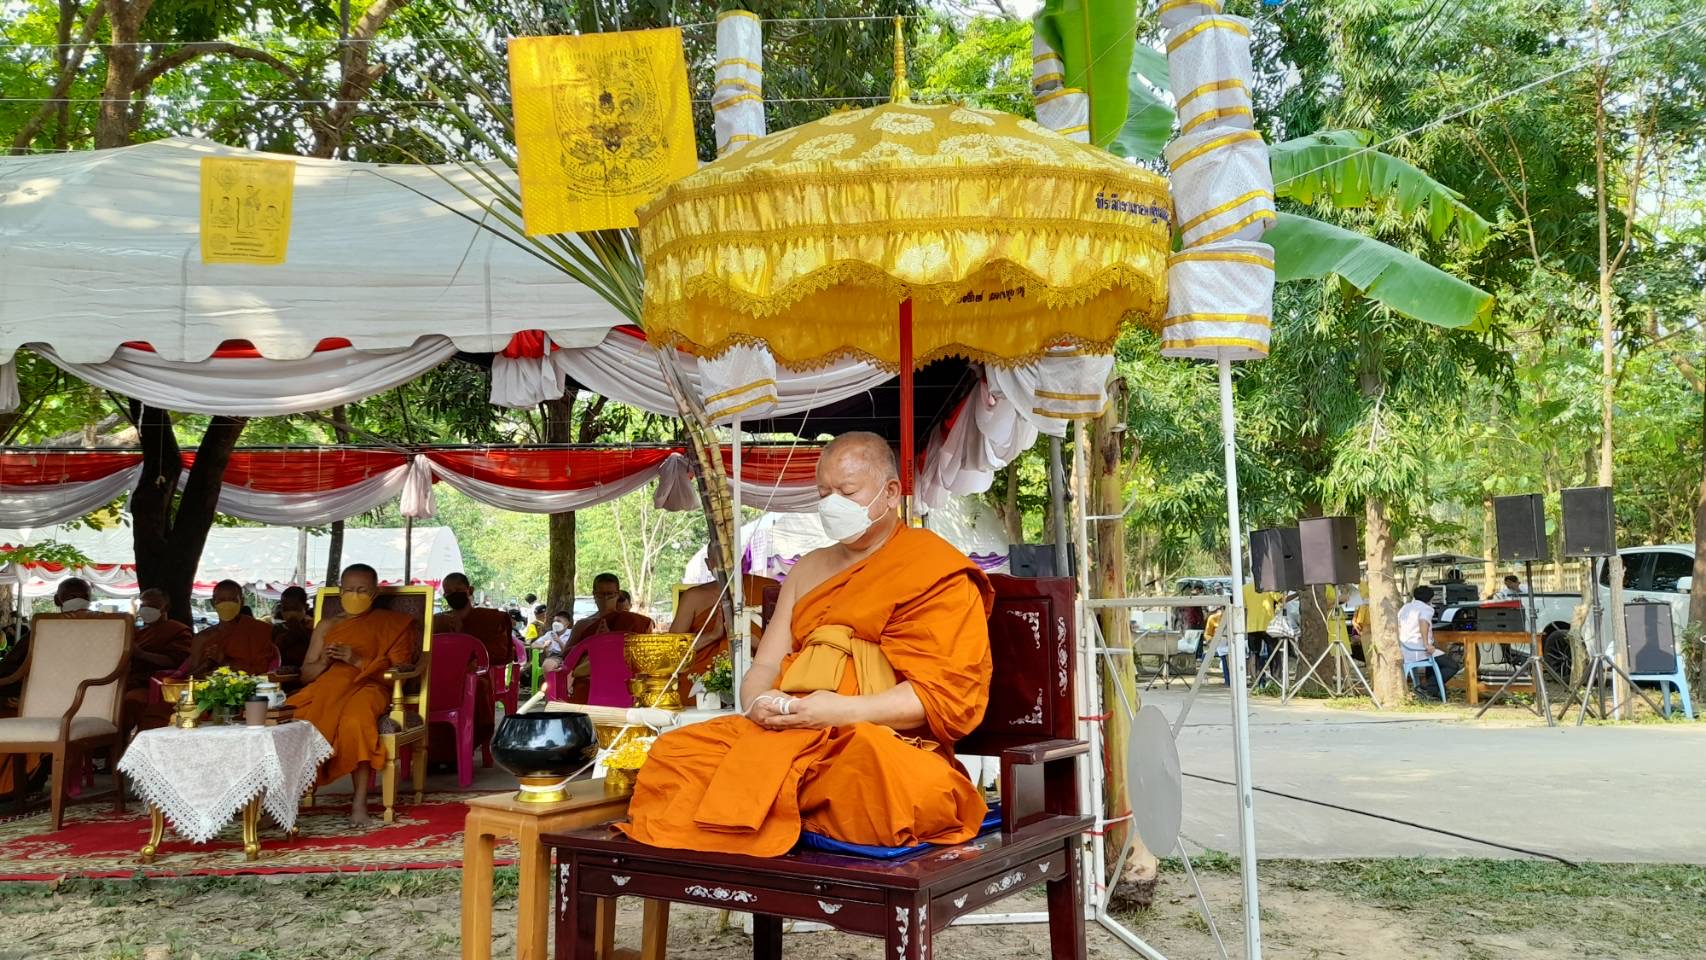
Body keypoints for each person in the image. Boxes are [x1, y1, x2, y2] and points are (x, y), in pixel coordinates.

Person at [623, 431, 993, 855]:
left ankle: (779, 805)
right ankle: (792, 805)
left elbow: (942, 696)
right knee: (677, 752)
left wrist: (840, 711)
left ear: (891, 493)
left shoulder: (934, 568)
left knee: (879, 773)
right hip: (789, 729)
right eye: (824, 492)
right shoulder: (808, 569)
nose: (832, 503)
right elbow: (765, 666)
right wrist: (757, 701)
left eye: (847, 491)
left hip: (872, 738)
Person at [287, 563, 419, 826]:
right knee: (293, 721)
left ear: (375, 593)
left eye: (362, 590)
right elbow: (306, 675)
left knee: (355, 722)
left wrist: (357, 660)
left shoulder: (395, 625)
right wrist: (324, 661)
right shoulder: (326, 626)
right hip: (328, 688)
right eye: (349, 590)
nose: (354, 595)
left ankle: (359, 804)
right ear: (339, 591)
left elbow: (397, 672)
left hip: (371, 687)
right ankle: (284, 801)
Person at [433, 572, 517, 752]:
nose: (453, 594)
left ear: (469, 590)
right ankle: (437, 753)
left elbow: (500, 653)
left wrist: (470, 661)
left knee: (477, 687)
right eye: (448, 592)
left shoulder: (491, 619)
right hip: (445, 676)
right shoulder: (438, 621)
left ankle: (466, 745)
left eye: (458, 590)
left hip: (478, 675)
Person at [671, 570, 781, 682]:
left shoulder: (766, 587)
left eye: (729, 557)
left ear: (740, 560)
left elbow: (784, 648)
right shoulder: (693, 596)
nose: (722, 564)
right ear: (708, 563)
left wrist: (752, 642)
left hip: (757, 674)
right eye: (717, 558)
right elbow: (672, 650)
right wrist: (713, 635)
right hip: (700, 678)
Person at [182, 580, 279, 676]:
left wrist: (225, 661)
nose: (227, 605)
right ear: (213, 603)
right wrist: (208, 664)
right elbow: (191, 678)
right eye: (222, 600)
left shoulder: (259, 630)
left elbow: (262, 672)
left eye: (233, 600)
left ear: (242, 602)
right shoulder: (202, 638)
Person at [1398, 585, 1458, 700]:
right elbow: (1423, 623)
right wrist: (1426, 644)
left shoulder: (1405, 607)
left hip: (1405, 649)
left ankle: (1433, 691)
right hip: (1419, 650)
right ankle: (1426, 686)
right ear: (1431, 598)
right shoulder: (1427, 609)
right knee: (1452, 666)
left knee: (1435, 659)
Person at [127, 588, 194, 689]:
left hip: (152, 684)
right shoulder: (139, 631)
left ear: (166, 608)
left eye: (152, 606)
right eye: (143, 606)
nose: (146, 609)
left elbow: (178, 662)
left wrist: (142, 654)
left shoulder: (178, 630)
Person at [272, 586, 314, 671]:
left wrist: (299, 629)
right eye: (286, 609)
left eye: (295, 609)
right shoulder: (276, 629)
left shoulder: (313, 627)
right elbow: (274, 652)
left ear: (305, 607)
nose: (290, 612)